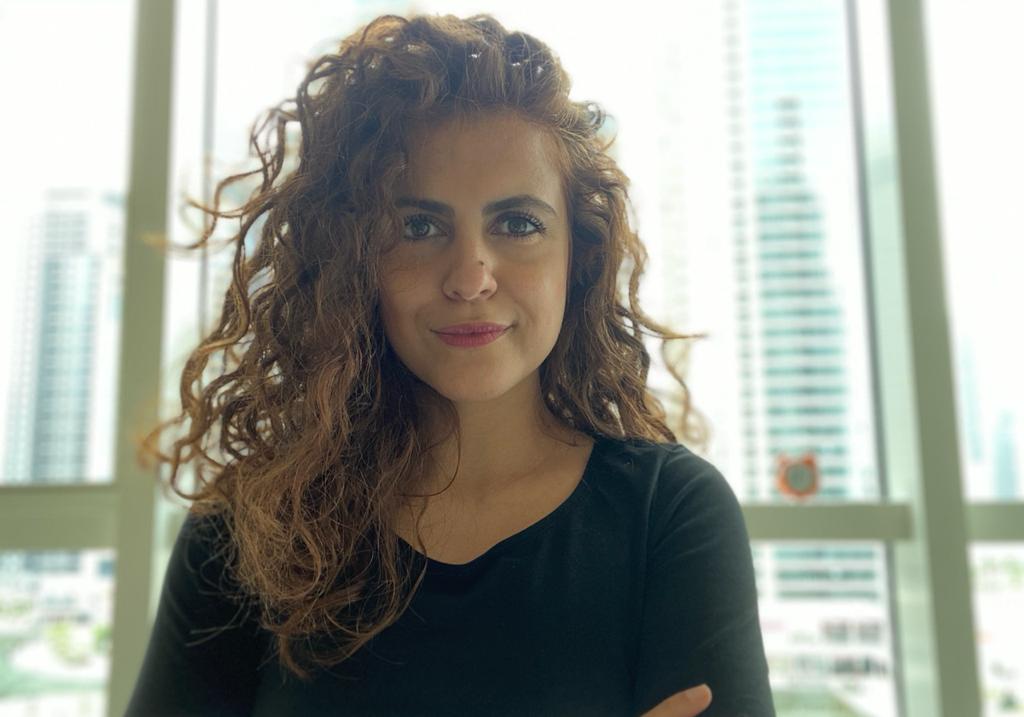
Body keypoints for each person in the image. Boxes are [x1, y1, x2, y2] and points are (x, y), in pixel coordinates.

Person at [125, 11, 774, 717]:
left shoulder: (669, 515)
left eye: (518, 224)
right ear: (355, 261)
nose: (470, 277)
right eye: (419, 226)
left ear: (579, 258)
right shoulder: (244, 533)